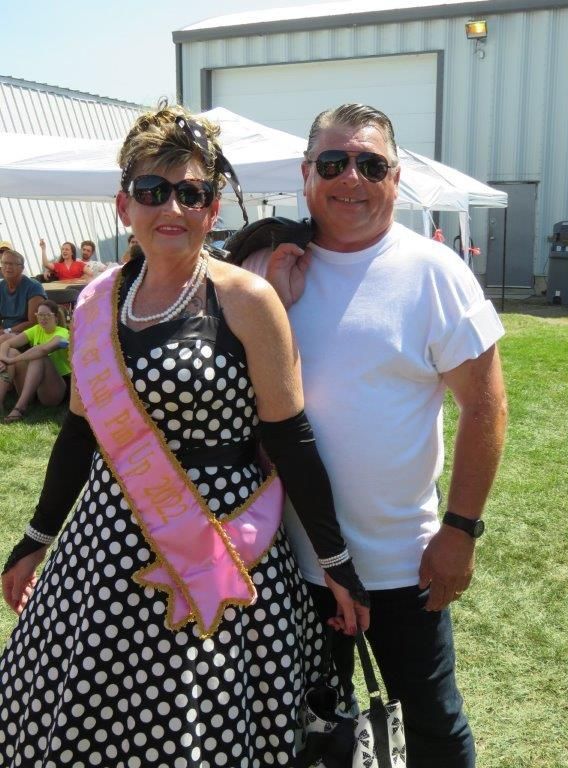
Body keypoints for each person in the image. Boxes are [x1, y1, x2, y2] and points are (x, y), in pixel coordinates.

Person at [0, 105, 369, 767]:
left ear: (213, 207)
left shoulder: (246, 300)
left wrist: (336, 563)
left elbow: (291, 439)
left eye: (191, 193)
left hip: (225, 549)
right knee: (91, 713)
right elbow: (81, 434)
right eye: (152, 190)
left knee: (202, 725)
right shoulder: (97, 300)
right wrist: (35, 539)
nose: (171, 207)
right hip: (106, 553)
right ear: (124, 205)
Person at [233, 103, 508, 768]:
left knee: (433, 726)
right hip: (287, 562)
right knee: (308, 730)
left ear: (396, 177)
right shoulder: (267, 270)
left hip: (402, 565)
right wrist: (276, 303)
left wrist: (460, 530)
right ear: (306, 174)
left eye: (370, 164)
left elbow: (485, 407)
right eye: (333, 163)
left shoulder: (434, 271)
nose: (350, 178)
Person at [0, 298, 71, 422]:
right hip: (34, 384)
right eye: (40, 315)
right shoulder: (36, 329)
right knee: (10, 352)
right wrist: (3, 358)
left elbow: (43, 350)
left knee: (39, 357)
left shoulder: (63, 332)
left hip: (56, 387)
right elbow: (7, 343)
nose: (43, 318)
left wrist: (14, 360)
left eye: (47, 315)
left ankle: (19, 408)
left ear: (56, 318)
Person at [0, 248, 47, 344]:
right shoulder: (1, 286)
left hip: (28, 333)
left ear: (21, 268)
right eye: (4, 263)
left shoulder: (34, 287)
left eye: (12, 264)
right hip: (5, 333)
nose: (7, 267)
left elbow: (33, 322)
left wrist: (6, 331)